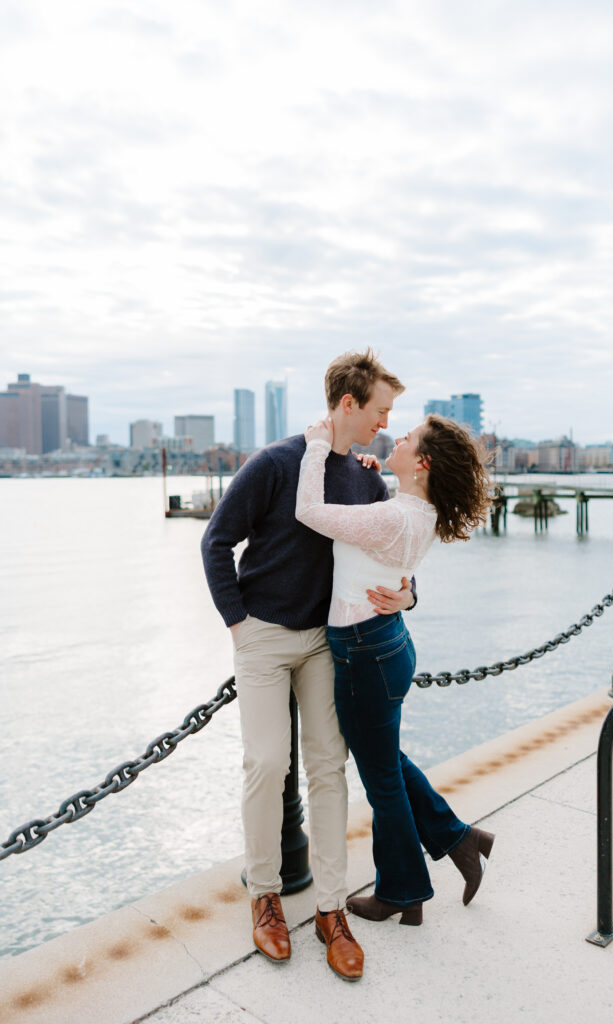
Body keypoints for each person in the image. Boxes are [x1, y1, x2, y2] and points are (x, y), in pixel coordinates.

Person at [200, 350, 416, 981]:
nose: (385, 421)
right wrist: (238, 623)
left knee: (328, 766)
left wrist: (407, 596)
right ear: (348, 404)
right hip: (263, 636)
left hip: (327, 640)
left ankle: (329, 909)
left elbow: (392, 559)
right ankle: (265, 895)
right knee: (267, 761)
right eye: (380, 408)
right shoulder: (275, 462)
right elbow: (217, 540)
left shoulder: (368, 480)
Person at [295, 412, 494, 925]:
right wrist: (371, 475)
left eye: (405, 440)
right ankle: (458, 839)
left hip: (364, 653)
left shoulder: (395, 517)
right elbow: (384, 549)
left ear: (422, 462)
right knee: (387, 765)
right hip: (384, 647)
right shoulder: (412, 510)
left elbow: (310, 511)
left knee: (382, 777)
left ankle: (403, 891)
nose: (394, 438)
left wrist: (318, 448)